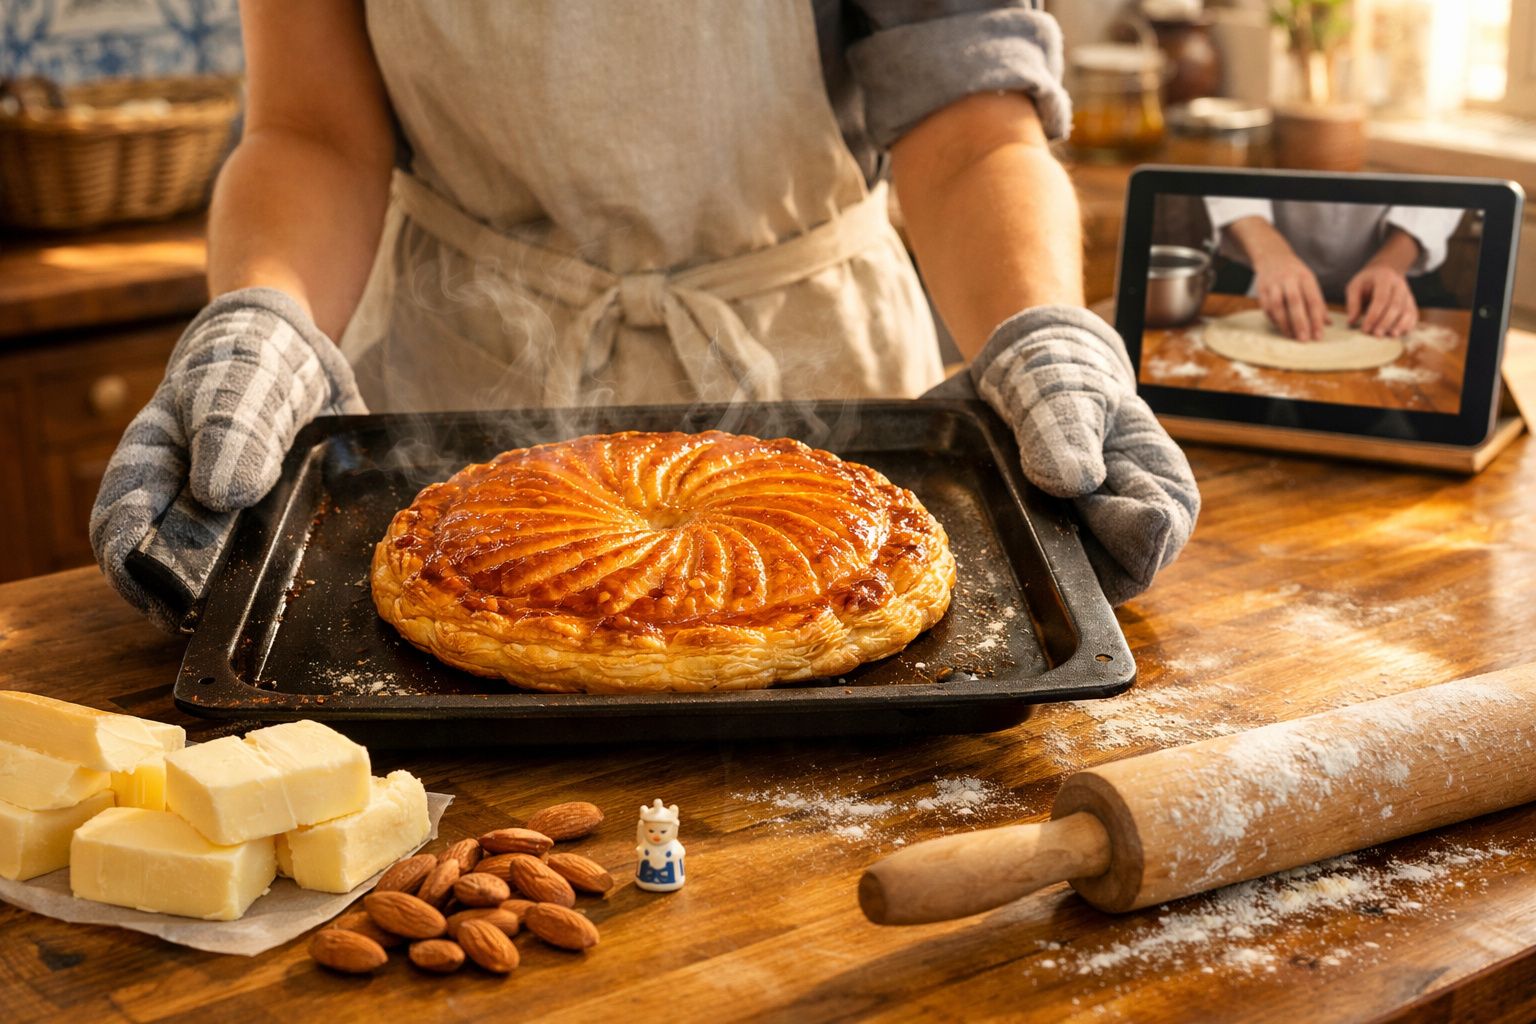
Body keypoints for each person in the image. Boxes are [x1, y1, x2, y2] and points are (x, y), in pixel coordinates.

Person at [91, 1, 1199, 632]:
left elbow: (974, 138)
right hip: (458, 379)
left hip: (814, 377)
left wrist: (1037, 329)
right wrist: (266, 316)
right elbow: (313, 132)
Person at [1204, 198, 1464, 342]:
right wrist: (1270, 252)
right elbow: (1229, 162)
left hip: (1399, 264)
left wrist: (1391, 263)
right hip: (1258, 257)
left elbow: (1450, 176)